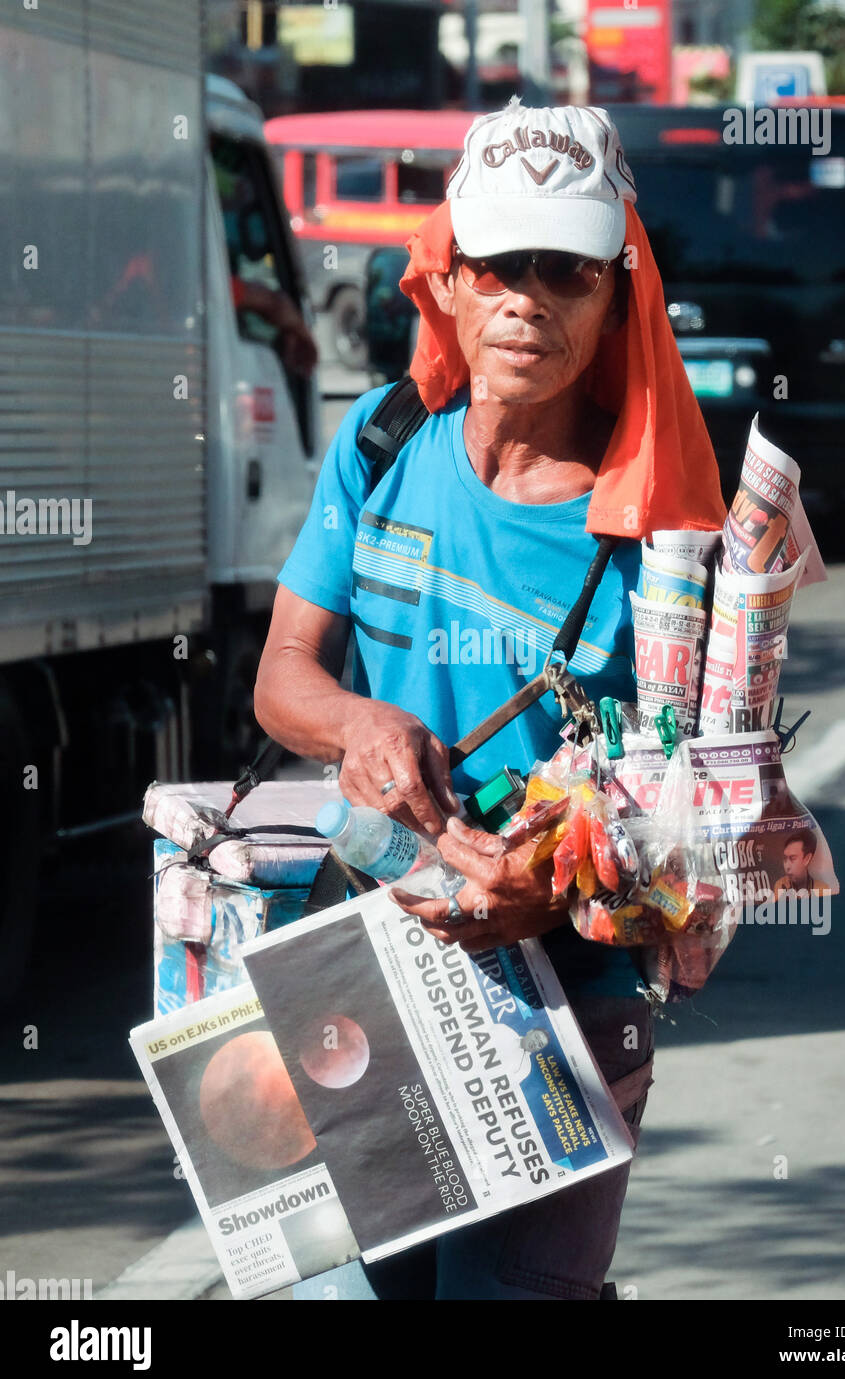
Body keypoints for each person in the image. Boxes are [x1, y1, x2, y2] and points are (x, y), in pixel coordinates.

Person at [254, 96, 726, 1300]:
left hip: (572, 1008)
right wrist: (362, 723)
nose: (528, 298)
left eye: (566, 269)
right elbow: (283, 681)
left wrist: (559, 888)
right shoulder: (380, 438)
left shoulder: (663, 521)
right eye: (498, 264)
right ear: (446, 278)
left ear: (619, 291)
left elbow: (719, 818)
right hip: (364, 969)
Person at [774, 829, 831, 896]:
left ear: (807, 859)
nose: (787, 866)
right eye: (785, 859)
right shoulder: (780, 885)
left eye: (792, 858)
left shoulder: (822, 890)